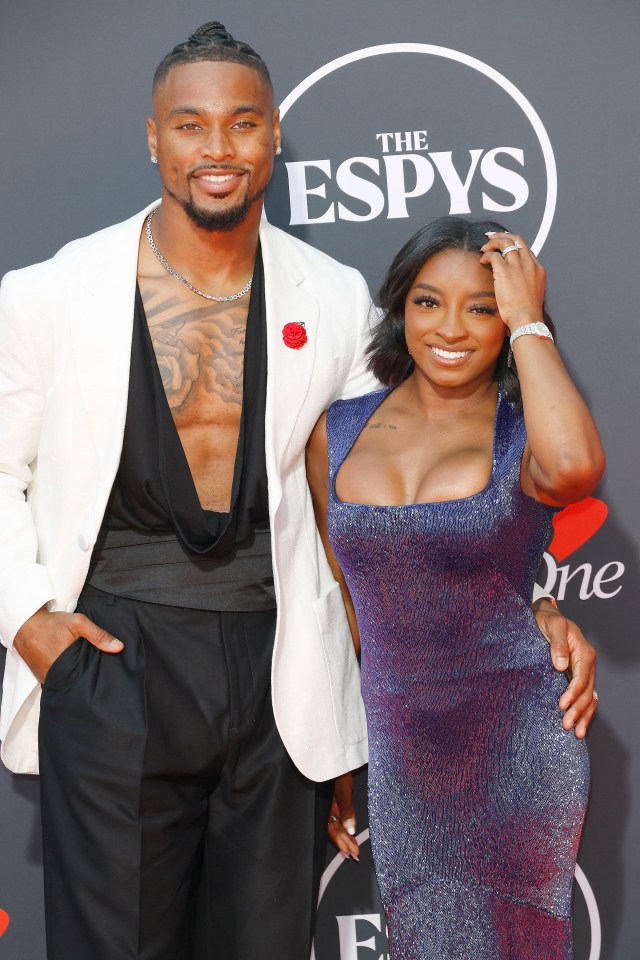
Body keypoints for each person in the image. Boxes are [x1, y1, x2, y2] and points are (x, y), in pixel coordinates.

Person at [0, 20, 596, 960]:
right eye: (190, 125)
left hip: (281, 670)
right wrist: (29, 620)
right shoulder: (48, 293)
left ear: (275, 134)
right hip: (113, 655)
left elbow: (397, 488)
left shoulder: (335, 296)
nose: (218, 148)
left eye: (242, 123)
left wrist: (535, 600)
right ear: (154, 138)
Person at [306, 217, 605, 959]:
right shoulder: (335, 432)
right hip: (404, 753)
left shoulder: (523, 434)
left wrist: (528, 315)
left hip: (518, 743)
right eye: (427, 301)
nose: (450, 328)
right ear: (399, 308)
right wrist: (341, 746)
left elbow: (575, 469)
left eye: (482, 308)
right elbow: (341, 599)